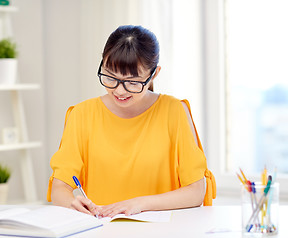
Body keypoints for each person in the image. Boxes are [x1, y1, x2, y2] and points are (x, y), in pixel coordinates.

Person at [47, 25, 216, 217]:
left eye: (133, 82)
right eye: (110, 77)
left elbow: (196, 191)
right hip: (100, 231)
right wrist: (73, 204)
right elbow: (60, 188)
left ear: (154, 74)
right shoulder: (81, 114)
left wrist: (139, 203)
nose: (120, 91)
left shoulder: (174, 111)